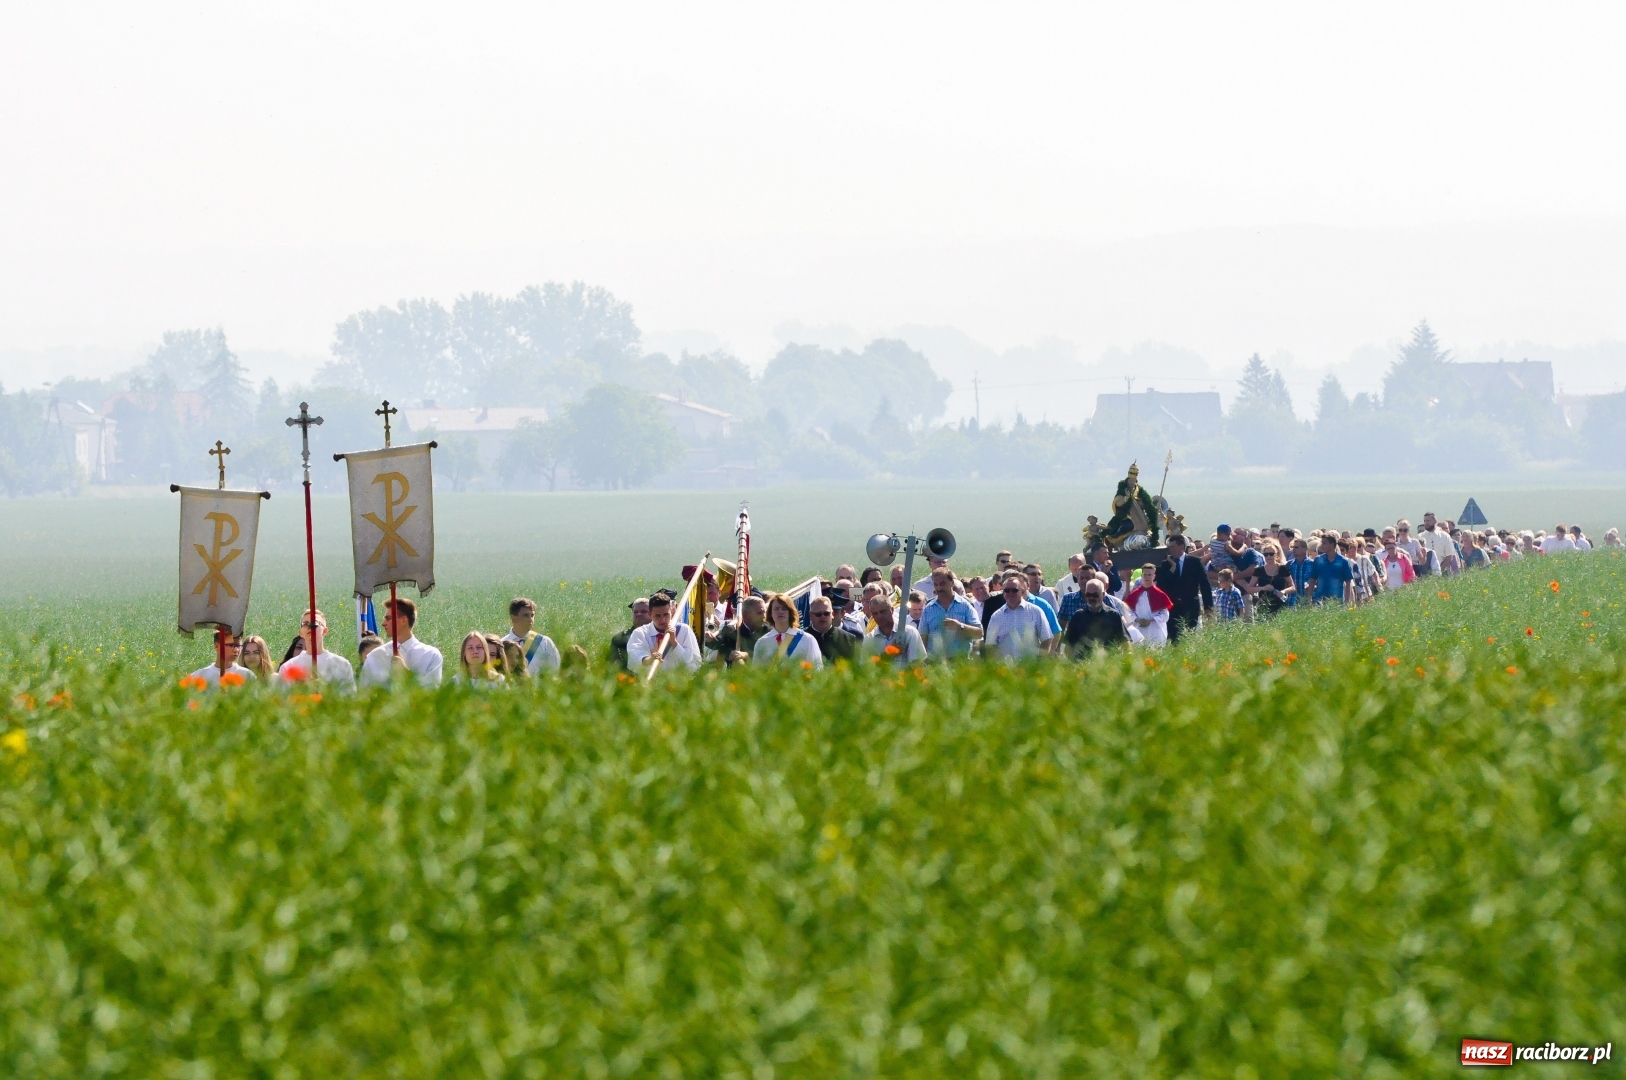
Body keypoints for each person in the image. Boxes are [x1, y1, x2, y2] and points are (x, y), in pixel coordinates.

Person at [360, 597, 445, 688]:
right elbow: (364, 695)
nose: (383, 623)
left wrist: (405, 672)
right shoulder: (374, 656)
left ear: (404, 620)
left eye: (388, 618)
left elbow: (432, 693)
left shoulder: (431, 656)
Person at [277, 609, 357, 688]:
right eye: (305, 624)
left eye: (314, 623)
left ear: (325, 631)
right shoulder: (288, 667)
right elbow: (282, 697)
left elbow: (349, 696)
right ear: (300, 633)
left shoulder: (342, 664)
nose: (310, 626)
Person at [627, 593, 702, 674]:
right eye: (658, 616)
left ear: (672, 612)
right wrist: (650, 659)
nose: (663, 620)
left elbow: (692, 661)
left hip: (680, 682)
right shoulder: (640, 633)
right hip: (653, 683)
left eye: (666, 615)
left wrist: (674, 642)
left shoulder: (684, 630)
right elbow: (635, 658)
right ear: (650, 614)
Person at [985, 575, 1053, 662]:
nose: (1010, 593)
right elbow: (990, 644)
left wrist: (1040, 661)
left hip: (1030, 665)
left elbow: (1046, 638)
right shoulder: (996, 616)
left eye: (1014, 590)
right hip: (1005, 669)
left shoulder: (1035, 611)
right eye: (1007, 590)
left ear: (1023, 592)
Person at [1157, 535, 1211, 643]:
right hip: (1172, 608)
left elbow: (1204, 585)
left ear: (1181, 546)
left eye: (1173, 547)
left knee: (1189, 637)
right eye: (1169, 547)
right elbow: (1161, 586)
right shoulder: (1165, 564)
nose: (1170, 550)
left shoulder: (1194, 562)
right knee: (1173, 638)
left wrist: (1208, 607)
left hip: (1190, 607)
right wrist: (1171, 570)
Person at [918, 567, 982, 660]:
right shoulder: (928, 609)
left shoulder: (965, 606)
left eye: (943, 583)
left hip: (960, 662)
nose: (939, 588)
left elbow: (979, 633)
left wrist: (960, 627)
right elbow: (923, 638)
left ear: (952, 582)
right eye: (936, 584)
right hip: (936, 664)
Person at [753, 593, 824, 668]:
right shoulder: (762, 642)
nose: (780, 612)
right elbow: (756, 672)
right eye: (776, 609)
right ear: (770, 613)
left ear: (790, 612)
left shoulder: (807, 639)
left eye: (784, 609)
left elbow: (817, 669)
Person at [1063, 579, 1129, 655]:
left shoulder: (1113, 615)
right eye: (1088, 595)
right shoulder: (1078, 616)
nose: (1091, 598)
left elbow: (1125, 642)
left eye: (1095, 595)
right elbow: (1068, 646)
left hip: (1109, 663)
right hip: (1083, 664)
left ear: (1103, 594)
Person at [502, 597, 561, 677]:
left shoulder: (545, 642)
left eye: (532, 615)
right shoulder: (501, 644)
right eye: (526, 615)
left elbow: (555, 672)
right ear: (514, 619)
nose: (531, 619)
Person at [863, 592, 927, 664]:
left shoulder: (910, 633)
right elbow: (865, 668)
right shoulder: (869, 639)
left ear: (892, 610)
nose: (879, 616)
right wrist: (889, 653)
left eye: (883, 611)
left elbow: (918, 664)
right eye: (875, 613)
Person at [708, 595, 769, 665]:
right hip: (737, 674)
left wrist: (746, 655)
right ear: (746, 615)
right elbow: (721, 647)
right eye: (759, 613)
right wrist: (709, 640)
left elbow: (768, 654)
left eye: (764, 612)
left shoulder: (769, 632)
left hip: (763, 674)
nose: (764, 616)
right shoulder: (732, 631)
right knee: (738, 662)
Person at [1122, 562, 1173, 644]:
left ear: (1154, 576)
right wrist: (1137, 619)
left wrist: (1152, 620)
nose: (1147, 577)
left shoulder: (1160, 594)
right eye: (1145, 574)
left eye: (1149, 575)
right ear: (1141, 576)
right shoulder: (1134, 594)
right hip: (1139, 631)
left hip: (1156, 632)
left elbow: (1165, 615)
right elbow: (1127, 612)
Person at [185, 630, 254, 687]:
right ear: (217, 646)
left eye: (238, 646)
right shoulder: (199, 676)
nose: (236, 650)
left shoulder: (247, 675)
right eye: (231, 645)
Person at [1246, 543, 1296, 619]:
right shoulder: (1259, 570)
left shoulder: (1282, 569)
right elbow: (1249, 589)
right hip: (1264, 605)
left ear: (1276, 555)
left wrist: (1283, 592)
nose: (1268, 556)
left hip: (1280, 604)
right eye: (1266, 554)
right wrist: (1263, 588)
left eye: (1271, 554)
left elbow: (1292, 587)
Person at [806, 595, 861, 663]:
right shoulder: (803, 638)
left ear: (832, 614)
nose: (822, 617)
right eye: (818, 614)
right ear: (810, 615)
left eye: (826, 613)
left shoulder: (848, 639)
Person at [1306, 534, 1356, 607]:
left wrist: (1347, 602)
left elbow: (1348, 582)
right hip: (1319, 600)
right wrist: (1309, 598)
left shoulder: (1343, 561)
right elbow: (1313, 579)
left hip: (1337, 601)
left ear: (1332, 544)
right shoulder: (1318, 560)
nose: (1322, 545)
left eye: (1324, 543)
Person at [610, 598, 651, 668]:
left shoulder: (658, 635)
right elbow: (612, 664)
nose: (639, 614)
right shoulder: (620, 638)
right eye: (635, 612)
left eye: (643, 611)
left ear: (652, 613)